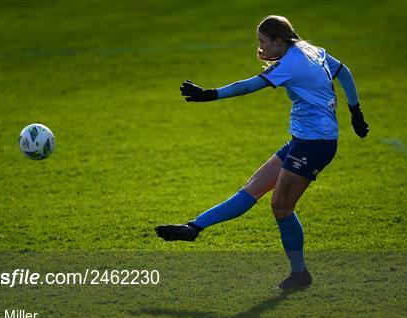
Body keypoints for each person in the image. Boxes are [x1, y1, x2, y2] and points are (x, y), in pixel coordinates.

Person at [155, 15, 369, 290]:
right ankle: (193, 228)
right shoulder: (310, 49)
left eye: (263, 41)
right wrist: (356, 111)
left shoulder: (291, 62)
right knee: (253, 188)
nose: (261, 47)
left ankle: (299, 274)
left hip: (315, 144)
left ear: (279, 40)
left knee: (281, 207)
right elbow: (344, 71)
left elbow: (248, 86)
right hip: (304, 140)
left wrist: (210, 94)